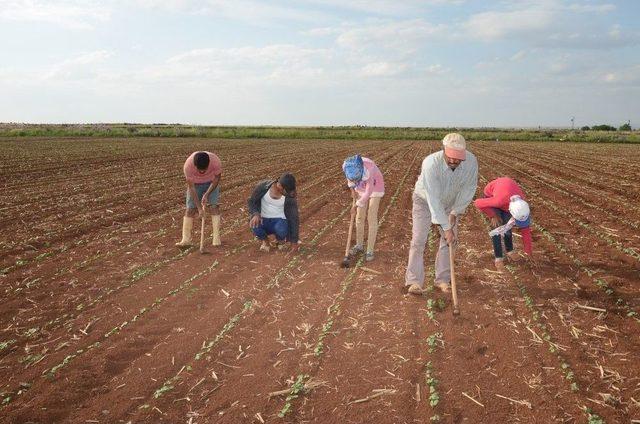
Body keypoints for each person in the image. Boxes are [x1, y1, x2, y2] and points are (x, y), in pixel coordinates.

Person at [405, 133, 478, 294]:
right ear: (444, 150)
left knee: (449, 242)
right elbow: (434, 199)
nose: (453, 161)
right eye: (450, 156)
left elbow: (469, 189)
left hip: (450, 203)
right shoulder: (431, 163)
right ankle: (414, 281)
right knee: (418, 240)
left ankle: (442, 280)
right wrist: (446, 228)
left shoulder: (471, 162)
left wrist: (455, 212)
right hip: (424, 200)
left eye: (458, 158)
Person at [474, 177, 533, 271]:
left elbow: (526, 231)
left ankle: (510, 250)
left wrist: (528, 252)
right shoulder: (498, 201)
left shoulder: (522, 207)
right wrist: (493, 215)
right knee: (497, 226)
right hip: (491, 194)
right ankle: (498, 257)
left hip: (506, 195)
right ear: (511, 211)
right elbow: (478, 203)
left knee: (507, 226)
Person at [342, 154, 385, 261]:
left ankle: (370, 250)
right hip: (360, 187)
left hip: (375, 186)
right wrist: (353, 190)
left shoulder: (369, 168)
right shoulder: (347, 166)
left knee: (371, 216)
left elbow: (369, 191)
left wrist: (356, 205)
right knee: (359, 217)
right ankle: (359, 245)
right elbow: (350, 181)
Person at [176, 151, 222, 247]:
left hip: (211, 183)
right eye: (200, 170)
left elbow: (217, 179)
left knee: (214, 207)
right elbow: (191, 188)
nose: (202, 172)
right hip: (195, 185)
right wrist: (200, 208)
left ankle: (216, 239)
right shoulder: (188, 166)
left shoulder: (215, 161)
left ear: (209, 163)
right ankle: (186, 240)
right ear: (195, 165)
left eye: (204, 170)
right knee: (190, 209)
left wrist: (207, 194)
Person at [248, 173, 300, 252]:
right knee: (255, 224)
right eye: (287, 190)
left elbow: (294, 218)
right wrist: (256, 214)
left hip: (280, 221)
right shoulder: (263, 186)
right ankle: (265, 242)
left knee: (281, 230)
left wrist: (294, 242)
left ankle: (280, 241)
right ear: (280, 186)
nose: (288, 193)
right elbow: (252, 201)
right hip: (263, 220)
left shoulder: (290, 197)